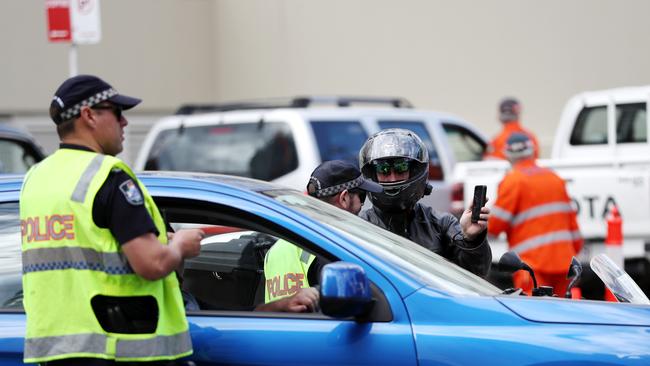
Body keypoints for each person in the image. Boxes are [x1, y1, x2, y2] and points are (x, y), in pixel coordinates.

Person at [20, 75, 204, 365]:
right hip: (118, 348)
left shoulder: (35, 180)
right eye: (117, 113)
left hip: (57, 351)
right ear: (89, 115)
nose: (125, 123)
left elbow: (81, 248)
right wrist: (180, 245)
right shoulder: (107, 176)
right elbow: (152, 264)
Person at [359, 128, 492, 277]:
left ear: (415, 171)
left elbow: (476, 275)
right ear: (372, 174)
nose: (392, 178)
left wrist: (471, 239)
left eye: (401, 168)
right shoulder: (358, 228)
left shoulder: (440, 224)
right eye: (383, 170)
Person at [257, 160, 382, 312]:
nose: (362, 205)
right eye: (361, 196)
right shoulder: (333, 250)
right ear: (344, 198)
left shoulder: (276, 248)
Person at [488, 132, 583, 296]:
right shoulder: (554, 178)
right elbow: (573, 226)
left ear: (508, 154)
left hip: (531, 266)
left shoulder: (513, 181)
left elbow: (495, 226)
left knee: (535, 315)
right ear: (533, 150)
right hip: (564, 263)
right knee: (562, 315)